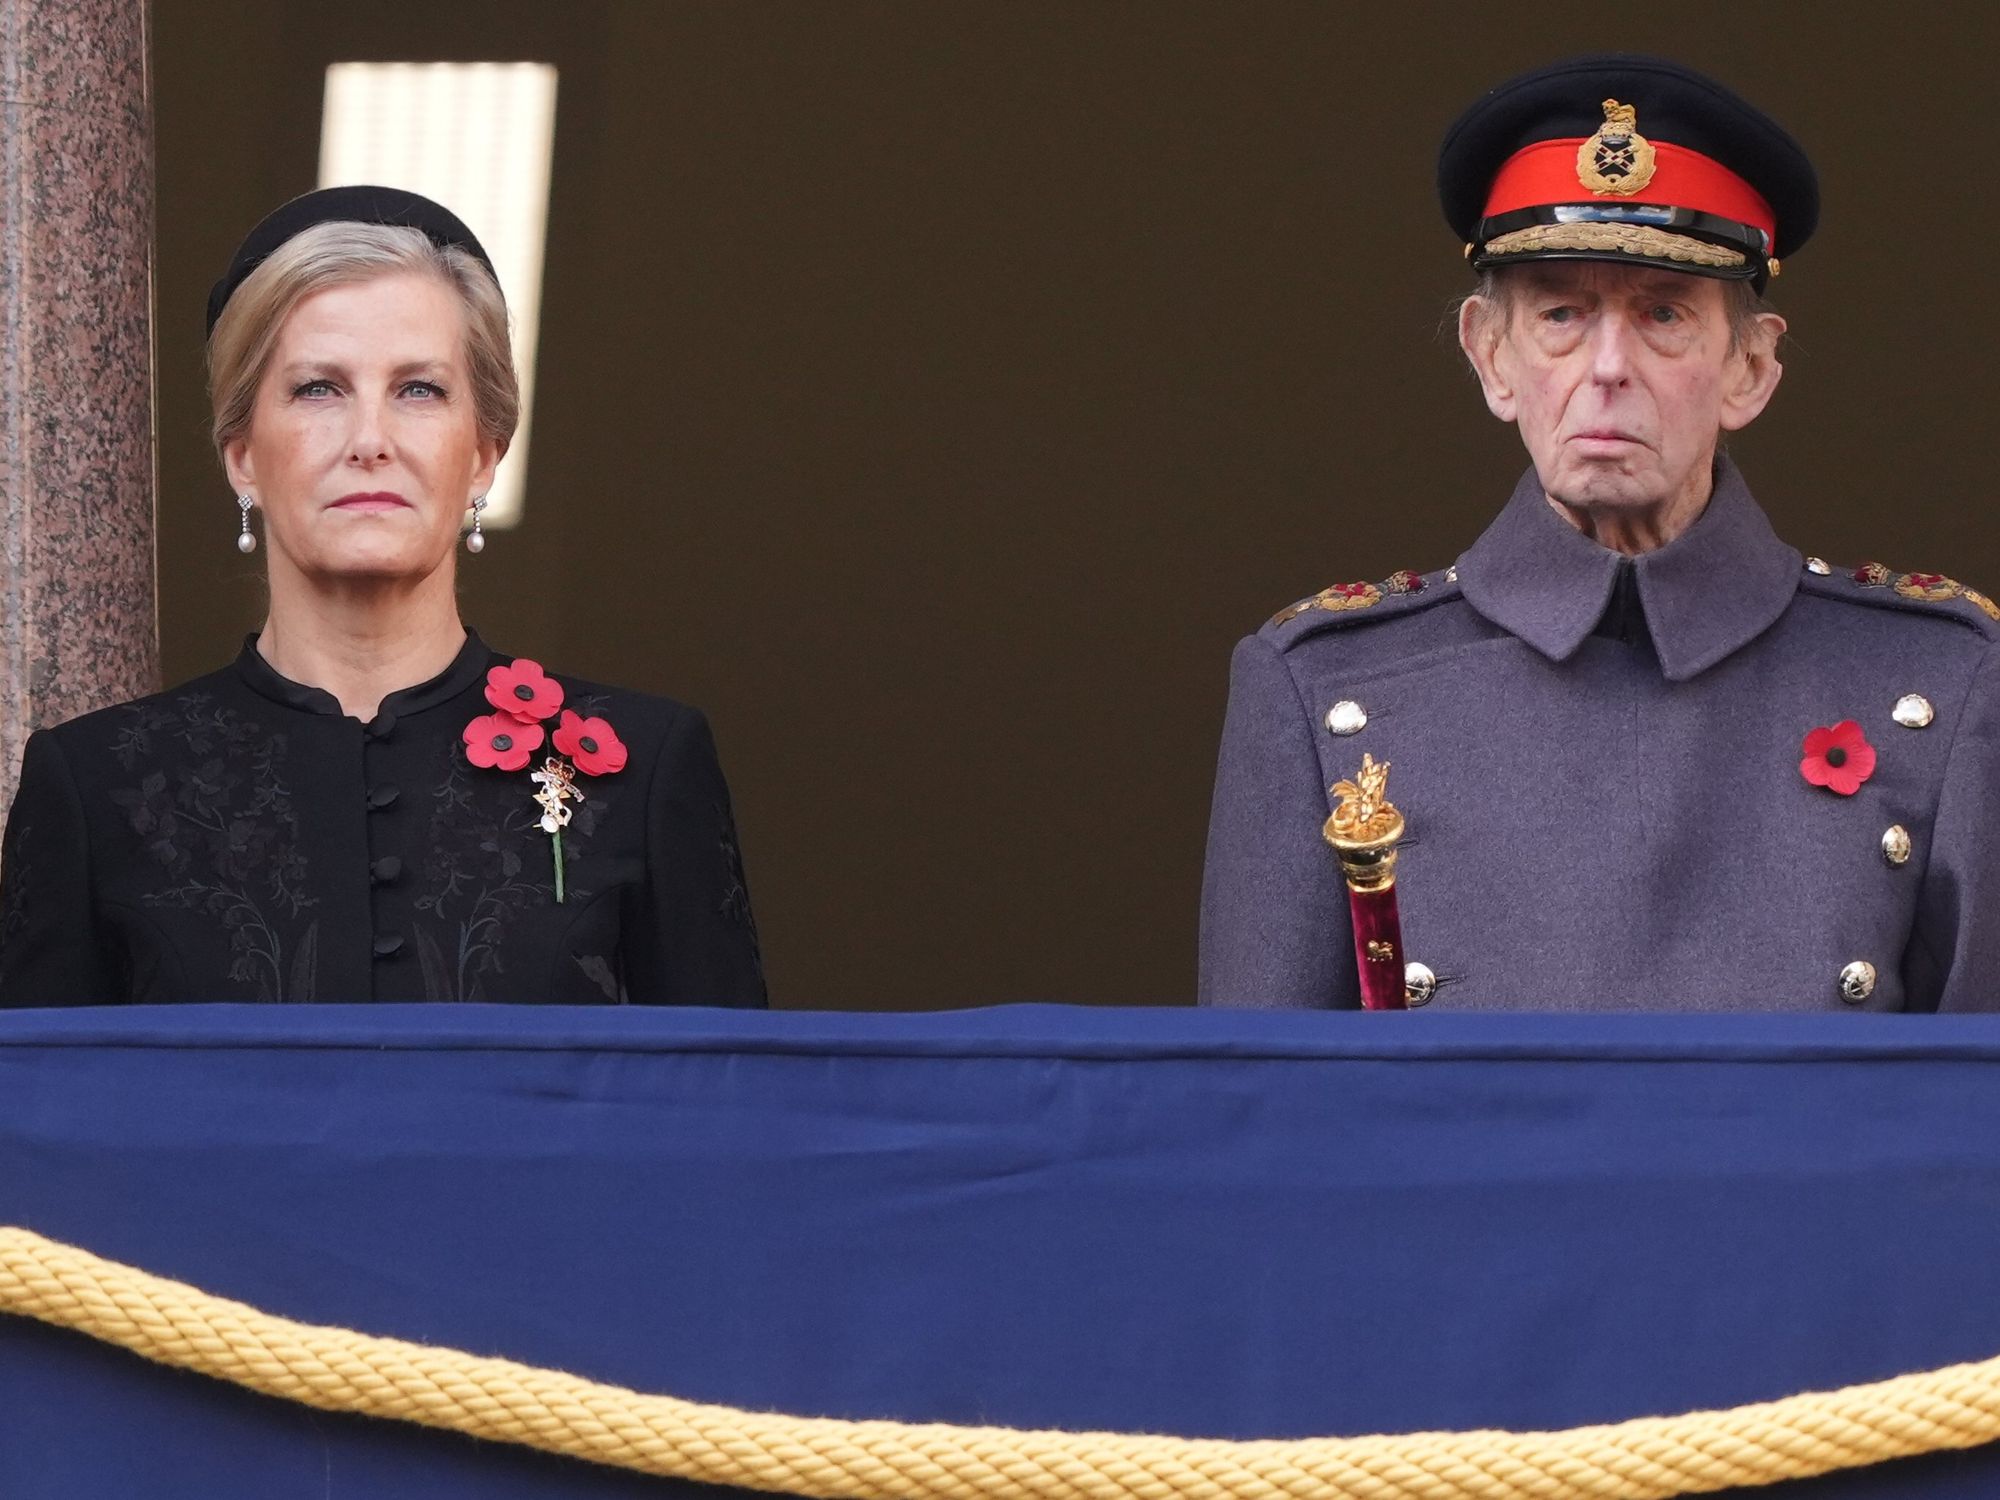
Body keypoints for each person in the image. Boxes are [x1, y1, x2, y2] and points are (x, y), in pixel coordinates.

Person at [1199, 55, 2000, 1012]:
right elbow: (1256, 1133)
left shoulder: (1944, 684)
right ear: (1491, 357)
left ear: (1750, 366)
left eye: (1663, 314)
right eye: (1561, 315)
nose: (1608, 366)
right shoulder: (1320, 688)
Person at [0, 187, 766, 1006]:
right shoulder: (92, 783)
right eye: (319, 389)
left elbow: (727, 1114)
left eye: (420, 390)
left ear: (483, 454)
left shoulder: (647, 766)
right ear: (242, 456)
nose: (370, 441)